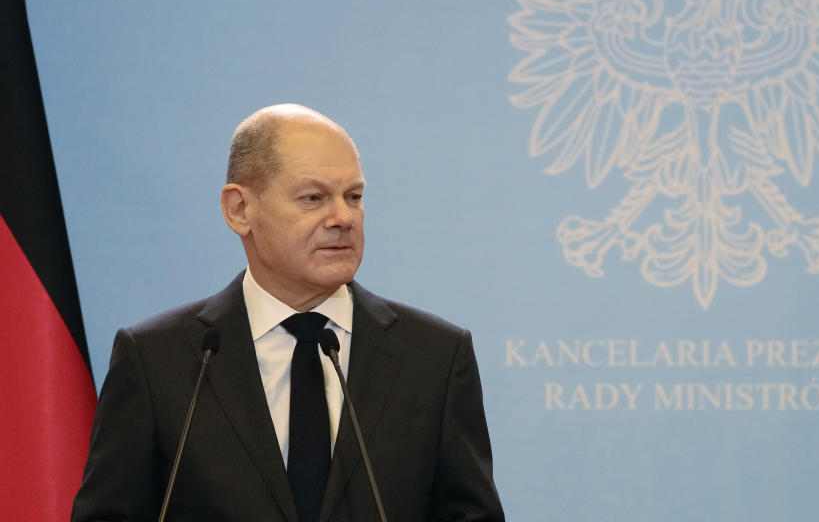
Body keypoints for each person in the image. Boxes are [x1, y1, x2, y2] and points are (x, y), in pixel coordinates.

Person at [72, 104, 504, 522]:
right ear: (240, 209)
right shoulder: (157, 358)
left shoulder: (434, 356)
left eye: (353, 197)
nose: (343, 217)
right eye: (313, 197)